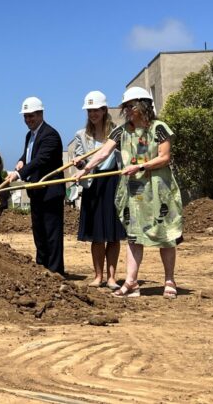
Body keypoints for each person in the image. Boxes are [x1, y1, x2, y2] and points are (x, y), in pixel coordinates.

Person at [74, 87, 183, 299]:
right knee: (134, 236)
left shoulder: (160, 128)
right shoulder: (122, 131)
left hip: (159, 189)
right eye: (126, 107)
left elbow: (164, 157)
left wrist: (141, 167)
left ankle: (169, 280)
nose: (128, 111)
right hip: (134, 192)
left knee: (166, 235)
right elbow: (104, 151)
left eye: (131, 106)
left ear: (144, 105)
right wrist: (86, 169)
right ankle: (131, 282)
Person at [4, 97, 65, 275]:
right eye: (26, 116)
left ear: (40, 114)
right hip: (36, 191)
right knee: (39, 234)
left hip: (50, 191)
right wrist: (20, 162)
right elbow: (28, 156)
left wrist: (18, 174)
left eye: (31, 116)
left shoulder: (50, 135)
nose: (28, 120)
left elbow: (41, 160)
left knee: (52, 234)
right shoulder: (30, 135)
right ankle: (42, 268)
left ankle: (55, 272)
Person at [72, 91, 125, 289]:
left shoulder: (117, 132)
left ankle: (112, 277)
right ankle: (98, 276)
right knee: (97, 235)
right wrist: (79, 163)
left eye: (96, 110)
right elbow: (81, 159)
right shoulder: (81, 135)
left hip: (113, 182)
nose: (92, 114)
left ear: (104, 110)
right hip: (93, 185)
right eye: (89, 110)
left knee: (113, 233)